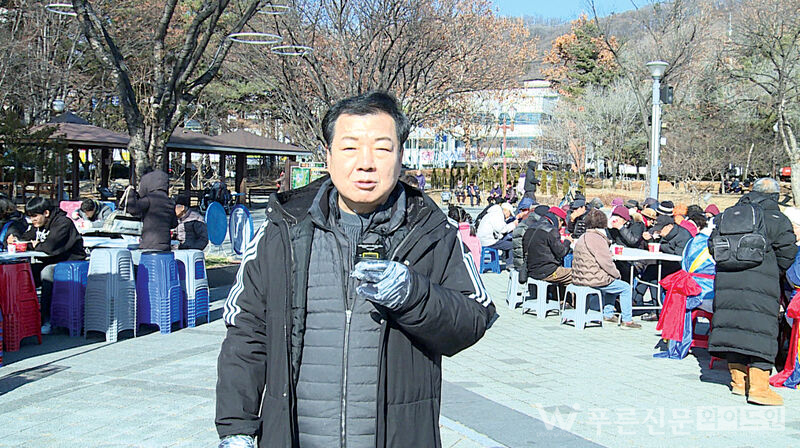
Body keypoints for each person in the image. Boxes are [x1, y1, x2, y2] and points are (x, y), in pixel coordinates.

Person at [215, 91, 496, 448]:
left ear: (401, 156)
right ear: (328, 156)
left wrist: (413, 295)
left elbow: (474, 319)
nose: (366, 163)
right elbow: (246, 332)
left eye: (382, 149)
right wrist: (236, 428)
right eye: (350, 148)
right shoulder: (282, 230)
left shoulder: (433, 232)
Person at [709, 178, 797, 406]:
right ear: (775, 196)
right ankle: (759, 389)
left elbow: (712, 246)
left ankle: (738, 382)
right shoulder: (776, 219)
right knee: (761, 332)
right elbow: (788, 253)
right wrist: (773, 271)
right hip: (761, 284)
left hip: (727, 282)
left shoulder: (729, 214)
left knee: (733, 328)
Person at [8, 197, 85, 334]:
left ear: (46, 213)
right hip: (49, 260)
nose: (32, 220)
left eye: (35, 216)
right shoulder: (38, 224)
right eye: (30, 217)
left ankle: (47, 319)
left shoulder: (63, 223)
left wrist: (35, 245)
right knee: (23, 272)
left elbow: (49, 247)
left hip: (70, 262)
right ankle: (21, 316)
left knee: (47, 273)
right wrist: (15, 239)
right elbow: (25, 239)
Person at [571, 209, 640, 329]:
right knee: (624, 287)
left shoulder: (583, 236)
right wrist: (617, 274)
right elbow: (606, 263)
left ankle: (608, 314)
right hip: (593, 278)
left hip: (580, 276)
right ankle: (627, 320)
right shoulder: (597, 239)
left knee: (611, 281)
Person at [123, 169, 178, 252]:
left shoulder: (149, 199)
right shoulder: (170, 202)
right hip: (166, 244)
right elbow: (174, 224)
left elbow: (133, 209)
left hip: (149, 243)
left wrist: (131, 193)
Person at [523, 211, 572, 285]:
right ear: (559, 220)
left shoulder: (531, 227)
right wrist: (567, 241)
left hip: (531, 270)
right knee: (577, 275)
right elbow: (561, 252)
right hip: (547, 271)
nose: (560, 227)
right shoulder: (551, 230)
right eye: (562, 224)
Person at [477, 201, 519, 269]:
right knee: (512, 244)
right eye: (510, 214)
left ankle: (506, 260)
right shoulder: (497, 215)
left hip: (483, 239)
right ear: (506, 211)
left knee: (506, 241)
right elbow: (502, 230)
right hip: (489, 241)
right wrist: (513, 224)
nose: (509, 216)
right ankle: (510, 264)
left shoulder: (492, 213)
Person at [511, 198, 535, 278]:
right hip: (525, 264)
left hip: (518, 262)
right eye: (522, 210)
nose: (521, 212)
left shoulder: (521, 221)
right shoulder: (527, 222)